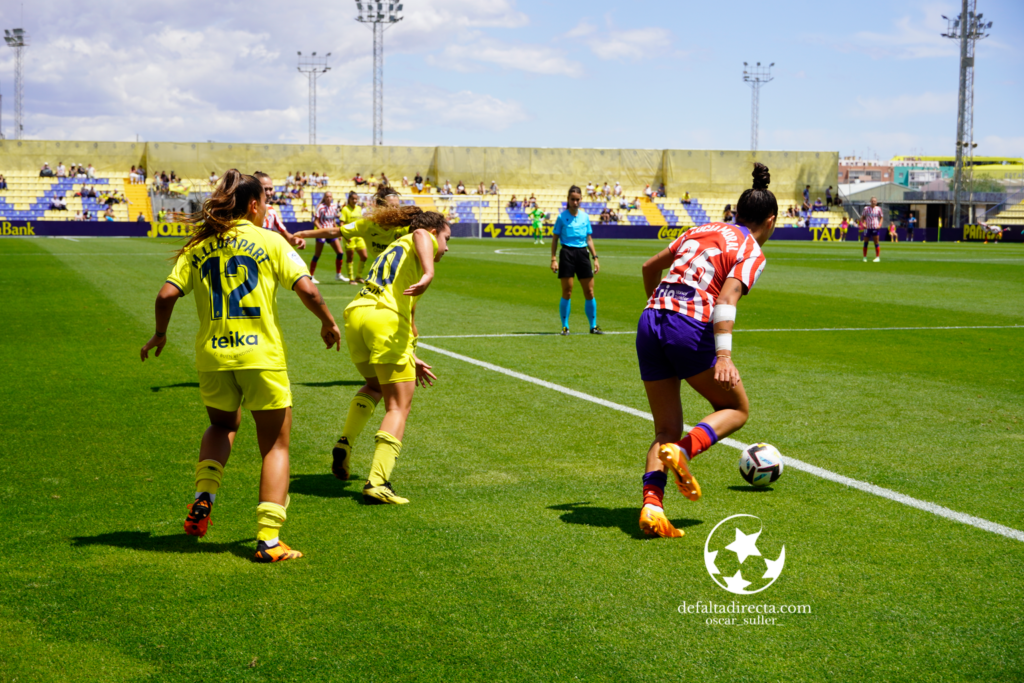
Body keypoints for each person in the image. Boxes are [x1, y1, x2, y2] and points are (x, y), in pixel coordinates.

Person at [139, 170, 342, 562]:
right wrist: (328, 322)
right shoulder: (269, 241)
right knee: (275, 445)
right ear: (253, 205)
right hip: (260, 357)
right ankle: (268, 541)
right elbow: (309, 289)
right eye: (265, 201)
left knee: (221, 426)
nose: (267, 206)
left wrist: (161, 334)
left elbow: (166, 295)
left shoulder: (198, 247)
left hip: (213, 357)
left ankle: (203, 498)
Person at [635, 162, 773, 538]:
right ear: (771, 222)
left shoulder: (701, 228)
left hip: (651, 321)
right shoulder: (751, 247)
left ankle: (652, 508)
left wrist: (658, 304)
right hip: (688, 326)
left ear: (737, 212)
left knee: (664, 429)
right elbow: (727, 298)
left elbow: (649, 267)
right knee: (736, 409)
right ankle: (685, 451)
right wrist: (724, 356)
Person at [335, 208, 450, 504]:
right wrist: (429, 272)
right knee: (398, 406)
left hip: (358, 315)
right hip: (384, 321)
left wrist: (410, 354)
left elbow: (409, 320)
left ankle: (345, 442)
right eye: (447, 239)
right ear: (437, 232)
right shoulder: (421, 237)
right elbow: (423, 233)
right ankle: (377, 481)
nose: (446, 248)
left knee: (374, 386)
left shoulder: (395, 248)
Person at [551, 185, 602, 335]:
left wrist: (595, 258)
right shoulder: (561, 217)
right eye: (572, 199)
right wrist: (554, 259)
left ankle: (593, 326)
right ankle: (565, 326)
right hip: (566, 253)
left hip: (582, 254)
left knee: (590, 291)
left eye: (577, 199)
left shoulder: (585, 217)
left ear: (581, 200)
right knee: (567, 291)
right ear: (568, 200)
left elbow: (589, 239)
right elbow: (555, 239)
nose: (575, 202)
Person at [254, 171, 306, 250]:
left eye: (270, 189)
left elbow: (287, 237)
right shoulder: (244, 211)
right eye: (265, 189)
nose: (268, 193)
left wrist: (297, 240)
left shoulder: (271, 211)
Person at [310, 191, 345, 283]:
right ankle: (311, 276)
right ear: (324, 198)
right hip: (322, 232)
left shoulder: (333, 207)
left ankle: (338, 275)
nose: (329, 198)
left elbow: (332, 220)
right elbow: (316, 221)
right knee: (317, 255)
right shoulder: (320, 207)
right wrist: (321, 231)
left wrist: (338, 231)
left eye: (330, 197)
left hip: (331, 232)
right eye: (327, 197)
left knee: (340, 253)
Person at [340, 190, 369, 283]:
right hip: (349, 236)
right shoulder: (345, 209)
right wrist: (344, 235)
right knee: (350, 257)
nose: (355, 200)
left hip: (359, 236)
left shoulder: (359, 208)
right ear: (349, 199)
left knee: (364, 256)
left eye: (356, 199)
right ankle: (351, 279)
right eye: (353, 199)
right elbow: (341, 223)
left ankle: (359, 276)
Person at [862, 197, 883, 262]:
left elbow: (881, 217)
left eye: (875, 201)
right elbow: (862, 217)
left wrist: (879, 225)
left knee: (876, 242)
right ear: (870, 201)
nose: (873, 202)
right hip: (867, 227)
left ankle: (877, 257)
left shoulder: (878, 209)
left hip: (875, 227)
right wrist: (863, 224)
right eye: (872, 201)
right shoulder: (866, 208)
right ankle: (865, 257)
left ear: (876, 202)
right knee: (865, 242)